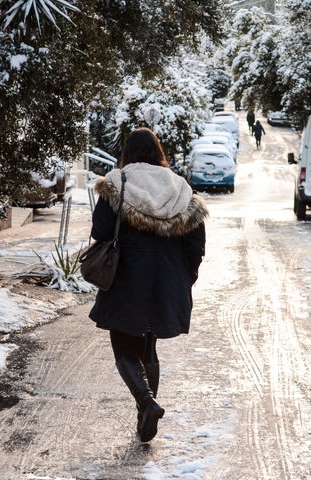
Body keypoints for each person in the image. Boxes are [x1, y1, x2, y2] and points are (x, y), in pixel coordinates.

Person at [88, 127, 208, 443]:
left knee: (123, 346)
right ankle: (145, 420)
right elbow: (196, 239)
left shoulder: (118, 182)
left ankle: (146, 403)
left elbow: (100, 230)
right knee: (149, 347)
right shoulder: (179, 187)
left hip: (127, 278)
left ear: (127, 153)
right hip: (167, 280)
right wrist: (186, 277)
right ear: (158, 152)